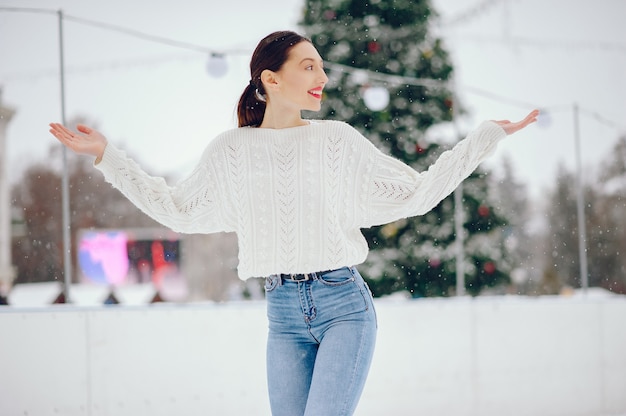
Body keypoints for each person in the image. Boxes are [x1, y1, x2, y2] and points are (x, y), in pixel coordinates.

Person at [50, 30, 538, 416]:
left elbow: (415, 194)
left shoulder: (337, 142)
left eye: (322, 66)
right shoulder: (231, 151)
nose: (322, 75)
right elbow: (177, 209)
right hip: (281, 313)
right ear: (271, 79)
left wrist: (483, 139)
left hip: (345, 305)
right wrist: (108, 158)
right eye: (309, 66)